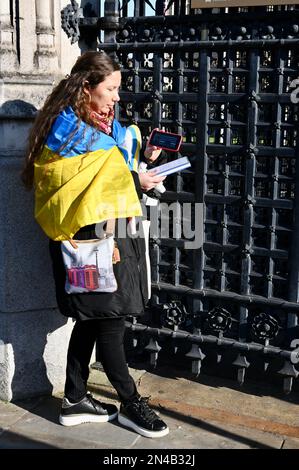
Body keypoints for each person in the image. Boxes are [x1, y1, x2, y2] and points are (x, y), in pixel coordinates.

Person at [21, 50, 169, 439]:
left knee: (92, 316)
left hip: (106, 234)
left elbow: (113, 164)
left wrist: (141, 161)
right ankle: (131, 403)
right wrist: (133, 180)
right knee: (110, 319)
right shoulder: (65, 128)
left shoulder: (97, 122)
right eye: (111, 89)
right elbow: (74, 180)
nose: (118, 98)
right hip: (86, 239)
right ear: (86, 88)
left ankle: (74, 399)